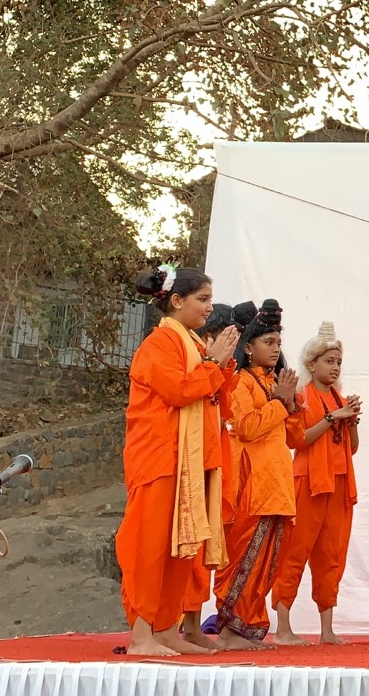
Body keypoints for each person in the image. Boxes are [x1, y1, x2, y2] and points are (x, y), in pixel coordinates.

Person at [116, 264, 238, 657]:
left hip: (189, 460)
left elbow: (218, 400)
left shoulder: (193, 345)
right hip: (159, 456)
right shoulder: (158, 345)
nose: (209, 308)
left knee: (180, 551)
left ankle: (166, 631)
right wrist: (215, 364)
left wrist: (221, 363)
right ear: (177, 301)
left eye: (210, 299)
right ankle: (140, 635)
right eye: (202, 299)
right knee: (148, 547)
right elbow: (180, 391)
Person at [212, 299, 301, 649]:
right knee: (244, 557)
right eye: (268, 342)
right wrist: (279, 402)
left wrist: (290, 404)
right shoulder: (242, 382)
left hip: (277, 483)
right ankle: (231, 630)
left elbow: (293, 437)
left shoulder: (273, 382)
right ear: (248, 347)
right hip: (252, 484)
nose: (276, 348)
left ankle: (247, 628)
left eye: (278, 343)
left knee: (268, 561)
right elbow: (247, 428)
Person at [272, 321, 363, 646]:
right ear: (312, 364)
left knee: (331, 555)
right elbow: (296, 441)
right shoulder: (301, 397)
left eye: (338, 362)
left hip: (338, 485)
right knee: (295, 551)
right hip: (308, 483)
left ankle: (327, 630)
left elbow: (350, 448)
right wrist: (331, 418)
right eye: (329, 361)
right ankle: (283, 628)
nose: (335, 367)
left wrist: (350, 420)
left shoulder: (339, 398)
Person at [177, 303, 241, 649]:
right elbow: (189, 396)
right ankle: (172, 627)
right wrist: (213, 363)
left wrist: (222, 365)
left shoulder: (214, 363)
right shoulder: (194, 359)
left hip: (212, 463)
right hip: (191, 464)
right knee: (188, 549)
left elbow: (223, 407)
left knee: (203, 552)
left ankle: (192, 626)